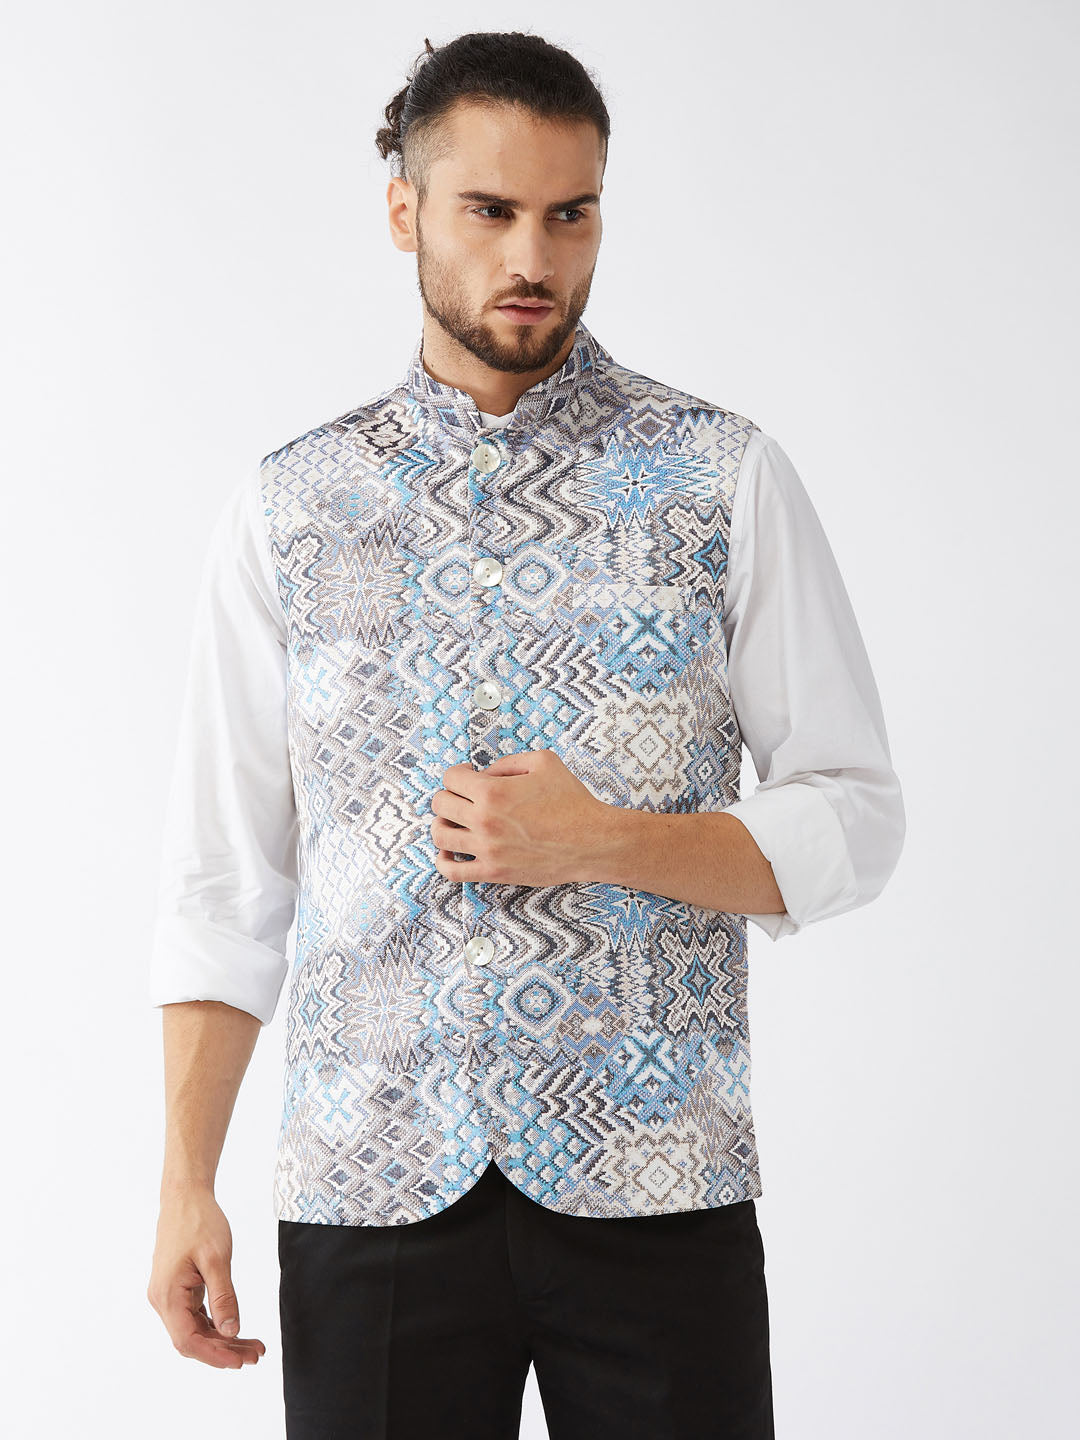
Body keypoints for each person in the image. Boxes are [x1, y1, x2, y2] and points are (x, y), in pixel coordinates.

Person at [146, 29, 905, 1440]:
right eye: (490, 210)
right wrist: (187, 1178)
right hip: (372, 1186)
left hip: (657, 1182)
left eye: (571, 213)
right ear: (405, 212)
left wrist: (607, 842)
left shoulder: (719, 477)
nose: (532, 257)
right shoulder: (290, 507)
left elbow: (855, 816)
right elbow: (226, 881)